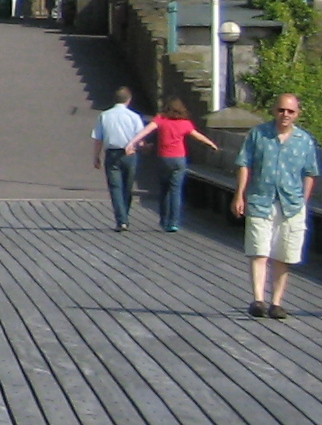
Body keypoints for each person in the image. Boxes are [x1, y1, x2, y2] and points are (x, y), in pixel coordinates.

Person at [234, 92, 320, 318]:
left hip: (291, 204)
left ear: (297, 114)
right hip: (260, 199)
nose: (285, 115)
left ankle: (276, 302)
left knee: (283, 255)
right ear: (274, 110)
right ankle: (258, 300)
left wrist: (303, 200)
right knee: (259, 251)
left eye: (290, 111)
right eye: (281, 110)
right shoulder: (258, 135)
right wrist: (239, 195)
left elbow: (310, 172)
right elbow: (244, 164)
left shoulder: (305, 140)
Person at [135, 97, 218, 233]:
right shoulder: (185, 123)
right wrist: (211, 144)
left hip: (164, 159)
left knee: (164, 189)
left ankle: (163, 219)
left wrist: (134, 142)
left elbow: (146, 131)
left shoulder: (161, 120)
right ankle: (173, 222)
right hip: (179, 159)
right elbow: (197, 136)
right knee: (175, 190)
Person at [92, 86, 147, 231]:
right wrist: (144, 146)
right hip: (130, 154)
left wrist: (96, 156)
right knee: (127, 187)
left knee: (115, 187)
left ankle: (121, 220)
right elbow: (140, 139)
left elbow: (98, 139)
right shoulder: (134, 116)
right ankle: (125, 215)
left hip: (112, 153)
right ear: (129, 100)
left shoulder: (104, 116)